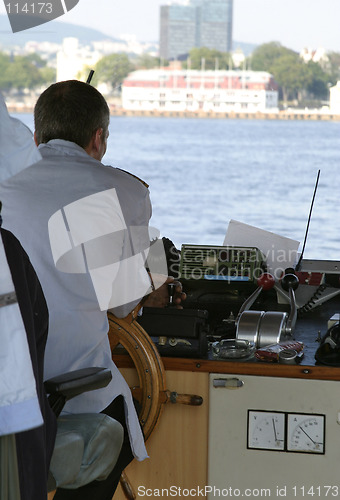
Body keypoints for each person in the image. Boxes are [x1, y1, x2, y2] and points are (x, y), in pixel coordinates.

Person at [0, 80, 185, 499]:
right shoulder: (125, 190)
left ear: (36, 135)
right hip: (72, 390)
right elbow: (121, 304)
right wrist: (155, 283)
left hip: (9, 390)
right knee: (118, 425)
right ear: (98, 138)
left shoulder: (5, 186)